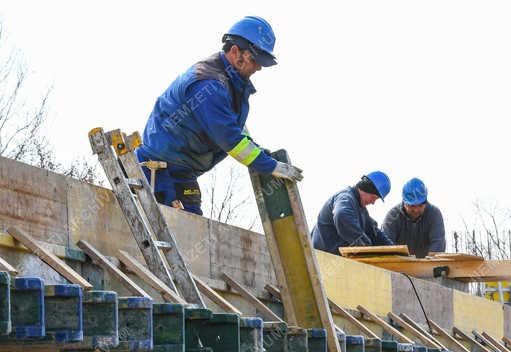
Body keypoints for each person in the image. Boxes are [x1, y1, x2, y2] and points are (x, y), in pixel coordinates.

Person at [133, 16, 303, 215]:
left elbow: (237, 133)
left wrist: (261, 155)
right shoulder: (210, 85)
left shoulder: (232, 84)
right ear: (234, 51)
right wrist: (272, 166)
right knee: (182, 233)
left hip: (180, 170)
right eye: (255, 60)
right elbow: (232, 141)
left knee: (192, 230)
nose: (258, 67)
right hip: (160, 171)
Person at [311, 172, 394, 254]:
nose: (373, 202)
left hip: (334, 259)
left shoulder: (361, 210)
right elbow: (341, 214)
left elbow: (374, 233)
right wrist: (365, 246)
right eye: (373, 198)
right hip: (321, 256)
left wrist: (394, 250)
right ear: (366, 189)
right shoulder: (346, 198)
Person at [381, 177, 446, 258]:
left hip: (427, 265)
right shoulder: (392, 217)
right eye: (412, 206)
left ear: (425, 202)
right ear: (404, 202)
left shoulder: (434, 214)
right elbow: (386, 248)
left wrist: (430, 265)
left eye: (420, 205)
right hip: (399, 265)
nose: (416, 210)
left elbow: (438, 245)